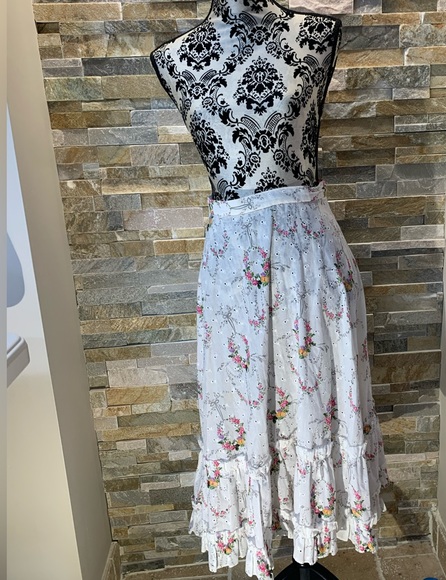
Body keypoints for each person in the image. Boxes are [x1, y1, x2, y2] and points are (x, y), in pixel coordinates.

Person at [150, 1, 389, 578]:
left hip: (312, 271)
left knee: (317, 407)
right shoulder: (176, 57)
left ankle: (313, 539)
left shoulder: (314, 35)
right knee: (243, 414)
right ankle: (274, 537)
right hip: (234, 279)